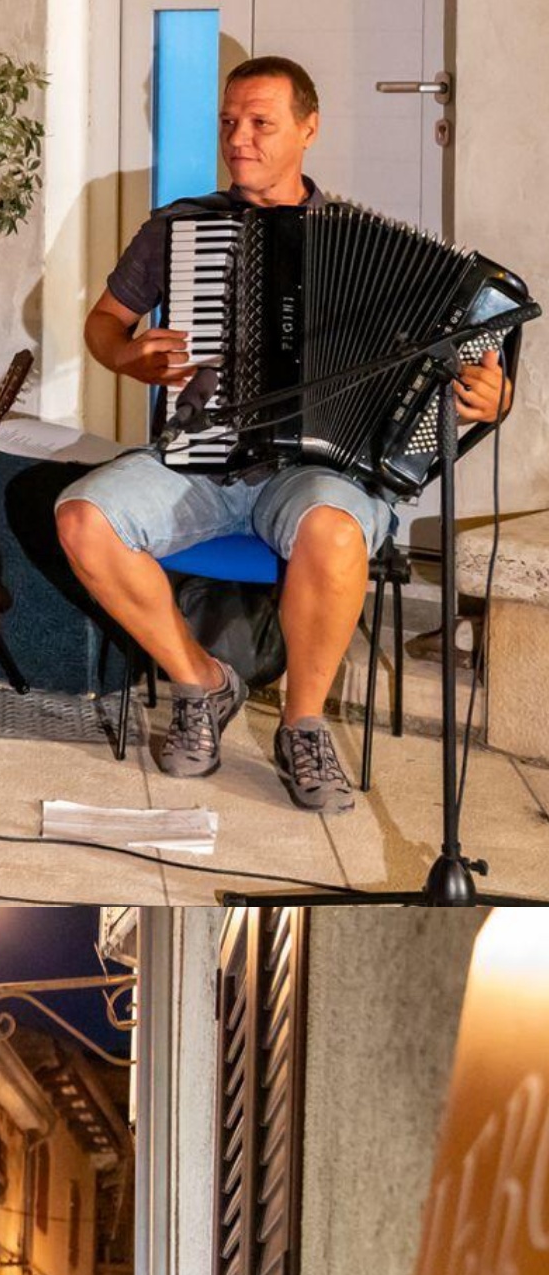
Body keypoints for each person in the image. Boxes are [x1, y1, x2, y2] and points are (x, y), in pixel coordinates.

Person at [54, 55, 517, 811]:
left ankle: (303, 724)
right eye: (230, 122)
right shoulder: (181, 227)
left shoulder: (380, 257)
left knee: (334, 533)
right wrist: (127, 356)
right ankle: (201, 682)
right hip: (203, 457)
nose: (239, 138)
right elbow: (105, 323)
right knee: (82, 519)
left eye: (261, 123)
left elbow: (461, 371)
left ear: (308, 129)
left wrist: (485, 397)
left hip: (318, 474)